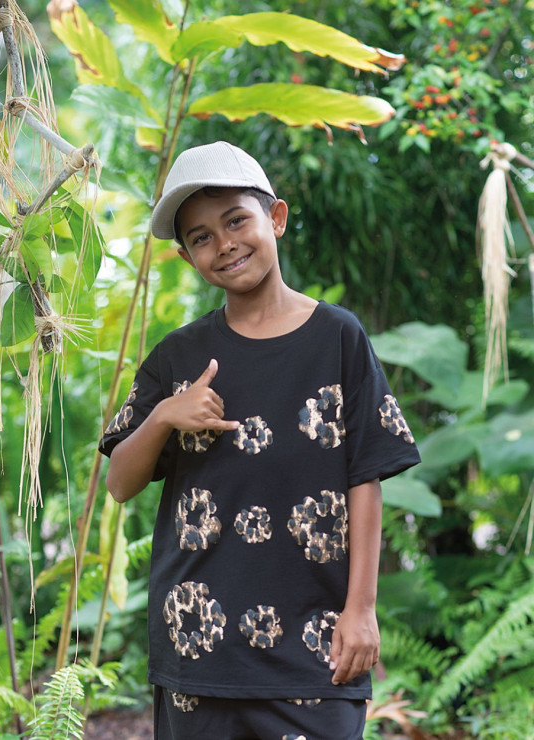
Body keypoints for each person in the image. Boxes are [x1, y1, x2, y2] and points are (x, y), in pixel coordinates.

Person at [99, 140, 421, 740]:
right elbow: (119, 483)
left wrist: (361, 609)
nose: (224, 244)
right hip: (199, 648)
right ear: (187, 256)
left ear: (276, 217)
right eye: (200, 237)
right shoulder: (178, 356)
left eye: (235, 221)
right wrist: (165, 414)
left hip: (317, 645)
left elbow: (365, 477)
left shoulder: (339, 337)